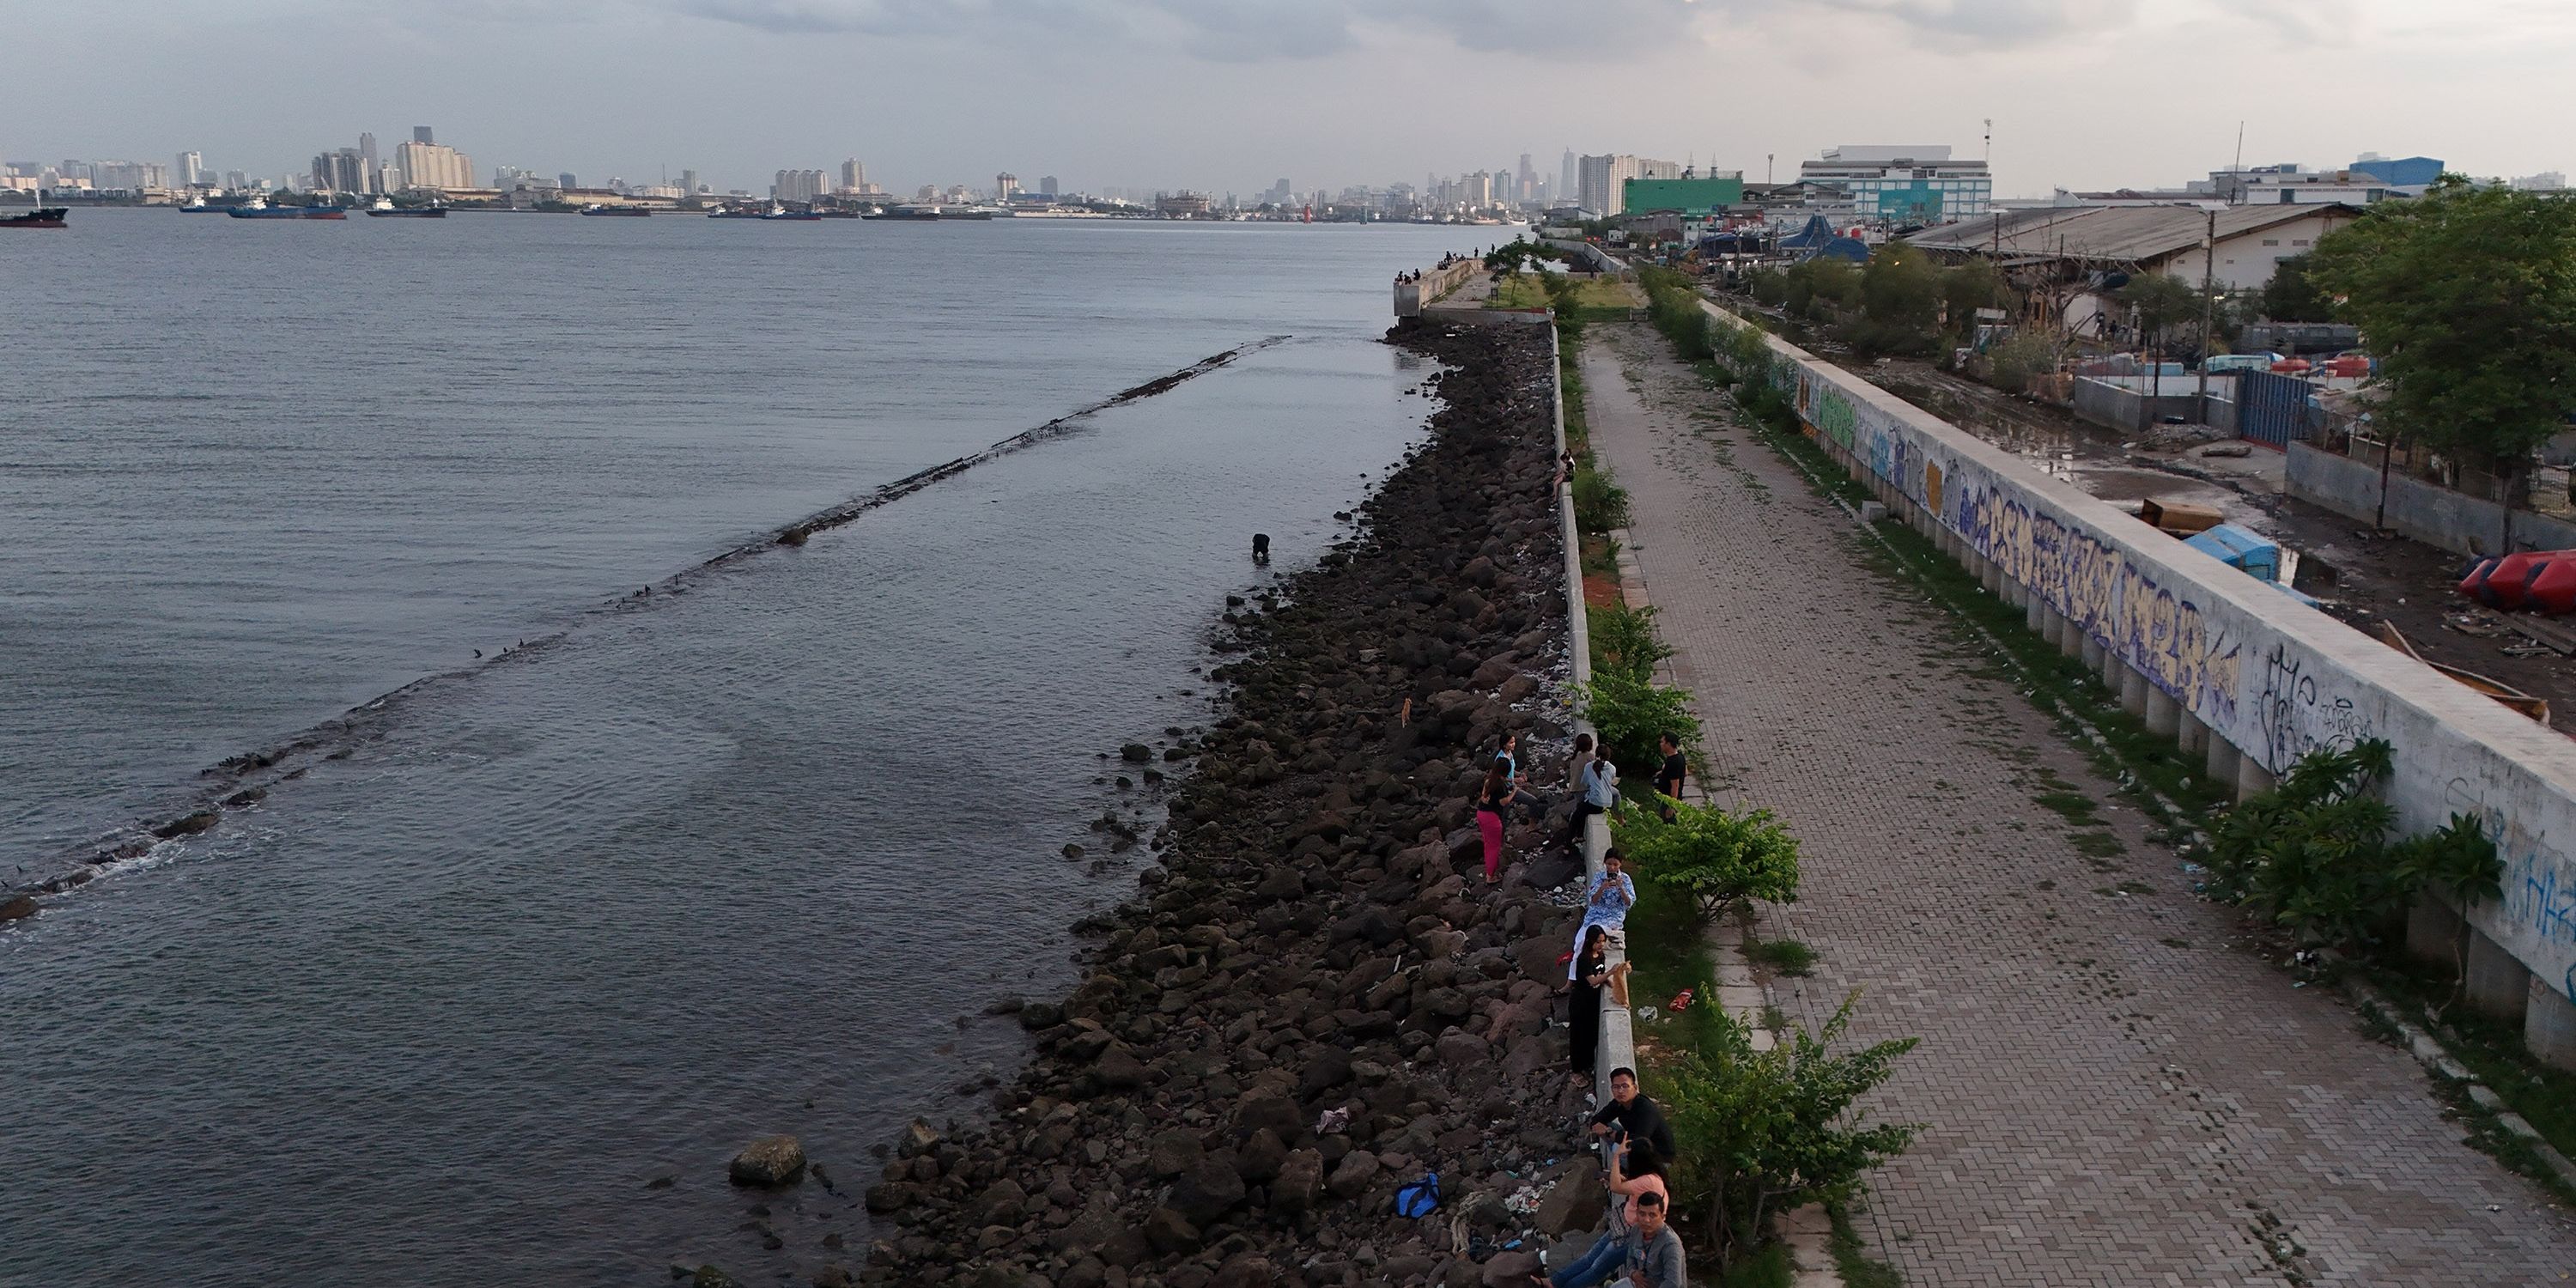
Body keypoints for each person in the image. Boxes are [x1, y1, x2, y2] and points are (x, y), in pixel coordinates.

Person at [1534, 1139, 1668, 1288]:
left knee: (1596, 1268)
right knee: (1589, 1258)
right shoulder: (1652, 1177)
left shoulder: (1648, 1181)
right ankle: (1553, 1281)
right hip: (1622, 1227)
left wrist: (1616, 1156)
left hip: (1631, 1236)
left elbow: (1615, 1186)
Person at [1587, 1067, 1677, 1163]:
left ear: (1635, 1088)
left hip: (1657, 1157)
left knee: (1617, 1143)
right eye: (1616, 1087)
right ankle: (1622, 1163)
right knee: (1604, 1126)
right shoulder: (1618, 1103)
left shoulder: (1646, 1109)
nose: (1620, 1091)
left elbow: (1640, 1140)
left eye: (1625, 1086)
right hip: (1635, 1142)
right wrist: (1603, 1130)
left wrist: (1610, 1133)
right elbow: (1596, 1120)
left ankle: (1629, 1169)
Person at [1567, 850, 1636, 975]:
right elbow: (1593, 900)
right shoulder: (1599, 877)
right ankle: (1573, 977)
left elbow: (1628, 903)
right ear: (1605, 863)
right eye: (1609, 864)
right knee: (1580, 941)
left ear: (1620, 865)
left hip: (1612, 916)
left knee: (1593, 939)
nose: (1612, 868)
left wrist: (1621, 888)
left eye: (1615, 865)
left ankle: (1588, 974)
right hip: (1595, 915)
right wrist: (1602, 888)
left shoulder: (1625, 879)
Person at [1564, 926, 1608, 1083]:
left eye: (1603, 941)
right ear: (1590, 941)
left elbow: (1600, 974)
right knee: (1578, 1035)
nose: (1601, 945)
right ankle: (1576, 1070)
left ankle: (1587, 1064)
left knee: (1591, 1035)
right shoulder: (1584, 958)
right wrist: (1611, 973)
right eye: (1598, 942)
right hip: (1580, 1001)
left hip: (1593, 1001)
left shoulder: (1600, 956)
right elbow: (1593, 980)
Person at [1622, 1191, 1687, 1288]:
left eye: (1652, 1215)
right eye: (1642, 1214)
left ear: (1662, 1217)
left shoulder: (1671, 1244)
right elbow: (1630, 1257)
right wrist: (1633, 1273)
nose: (1646, 1220)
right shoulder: (1636, 1230)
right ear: (1637, 1213)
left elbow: (1673, 1283)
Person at [1568, 749, 1617, 848]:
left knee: (1575, 816)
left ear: (1596, 754)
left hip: (1595, 802)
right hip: (1608, 802)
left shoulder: (1589, 766)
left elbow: (1585, 782)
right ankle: (1580, 836)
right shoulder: (1612, 768)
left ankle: (1567, 844)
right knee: (1582, 810)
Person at [1475, 757, 1511, 883]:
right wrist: (1515, 792)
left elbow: (1483, 797)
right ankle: (1490, 876)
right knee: (1494, 847)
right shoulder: (1500, 786)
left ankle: (1490, 870)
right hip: (1492, 818)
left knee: (1487, 844)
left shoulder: (1489, 780)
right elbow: (1504, 802)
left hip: (1481, 814)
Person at [1653, 733, 1686, 822]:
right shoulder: (1678, 756)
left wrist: (1671, 807)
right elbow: (1685, 772)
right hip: (1667, 798)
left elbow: (1675, 785)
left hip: (1669, 800)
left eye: (1662, 742)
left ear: (1668, 744)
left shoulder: (1673, 762)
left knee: (1669, 822)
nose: (1660, 744)